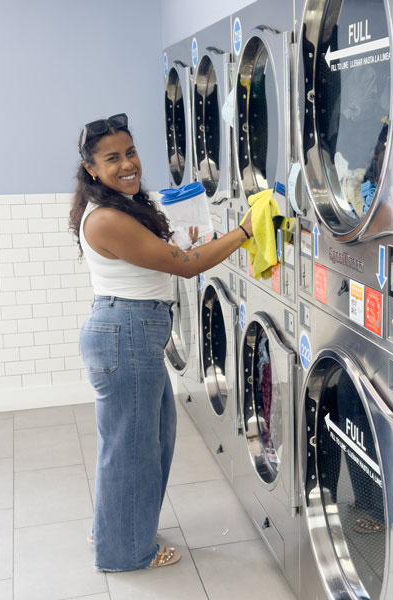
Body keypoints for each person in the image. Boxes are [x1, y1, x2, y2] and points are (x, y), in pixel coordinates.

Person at [69, 113, 253, 571]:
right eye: (112, 158)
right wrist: (246, 231)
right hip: (125, 333)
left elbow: (163, 256)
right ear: (92, 168)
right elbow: (186, 266)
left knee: (147, 440)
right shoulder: (108, 218)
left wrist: (182, 238)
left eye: (130, 152)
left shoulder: (120, 206)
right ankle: (125, 551)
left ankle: (117, 526)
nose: (128, 164)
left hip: (132, 330)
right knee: (132, 447)